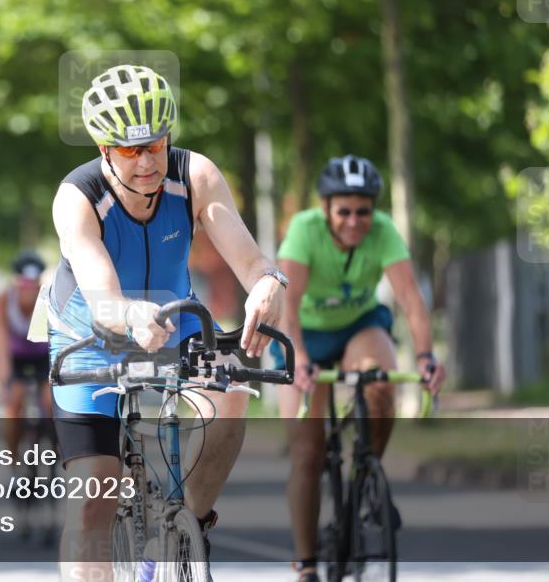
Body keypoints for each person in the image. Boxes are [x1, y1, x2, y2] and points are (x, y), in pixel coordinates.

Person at [48, 64, 287, 580]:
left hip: (175, 319)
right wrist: (128, 313)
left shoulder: (195, 176)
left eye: (155, 145)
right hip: (90, 334)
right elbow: (101, 291)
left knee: (230, 396)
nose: (147, 162)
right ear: (103, 148)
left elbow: (250, 262)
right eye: (130, 151)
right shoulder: (78, 197)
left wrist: (268, 284)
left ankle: (190, 526)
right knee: (94, 493)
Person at [271, 155, 447, 582]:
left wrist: (425, 357)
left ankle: (367, 471)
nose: (354, 220)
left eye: (363, 211)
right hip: (303, 333)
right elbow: (287, 308)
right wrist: (300, 360)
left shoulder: (384, 232)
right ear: (326, 208)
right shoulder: (303, 230)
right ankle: (306, 562)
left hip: (357, 326)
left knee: (380, 382)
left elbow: (411, 302)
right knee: (308, 453)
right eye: (344, 211)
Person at [0, 251, 53, 456]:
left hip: (43, 356)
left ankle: (58, 453)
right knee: (14, 403)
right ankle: (13, 465)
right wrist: (4, 382)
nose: (30, 290)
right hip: (15, 358)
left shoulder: (49, 300)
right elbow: (0, 344)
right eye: (25, 285)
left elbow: (58, 342)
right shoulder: (2, 302)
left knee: (51, 403)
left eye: (35, 284)